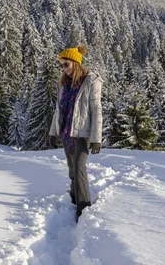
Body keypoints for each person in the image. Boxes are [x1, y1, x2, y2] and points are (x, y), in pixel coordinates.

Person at [49, 45, 103, 222]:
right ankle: (73, 198)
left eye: (66, 64)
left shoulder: (91, 82)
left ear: (76, 63)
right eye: (62, 65)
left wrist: (96, 138)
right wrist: (53, 131)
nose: (63, 68)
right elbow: (59, 109)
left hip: (83, 133)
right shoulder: (63, 83)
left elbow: (96, 110)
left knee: (79, 167)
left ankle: (83, 208)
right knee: (72, 169)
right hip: (67, 133)